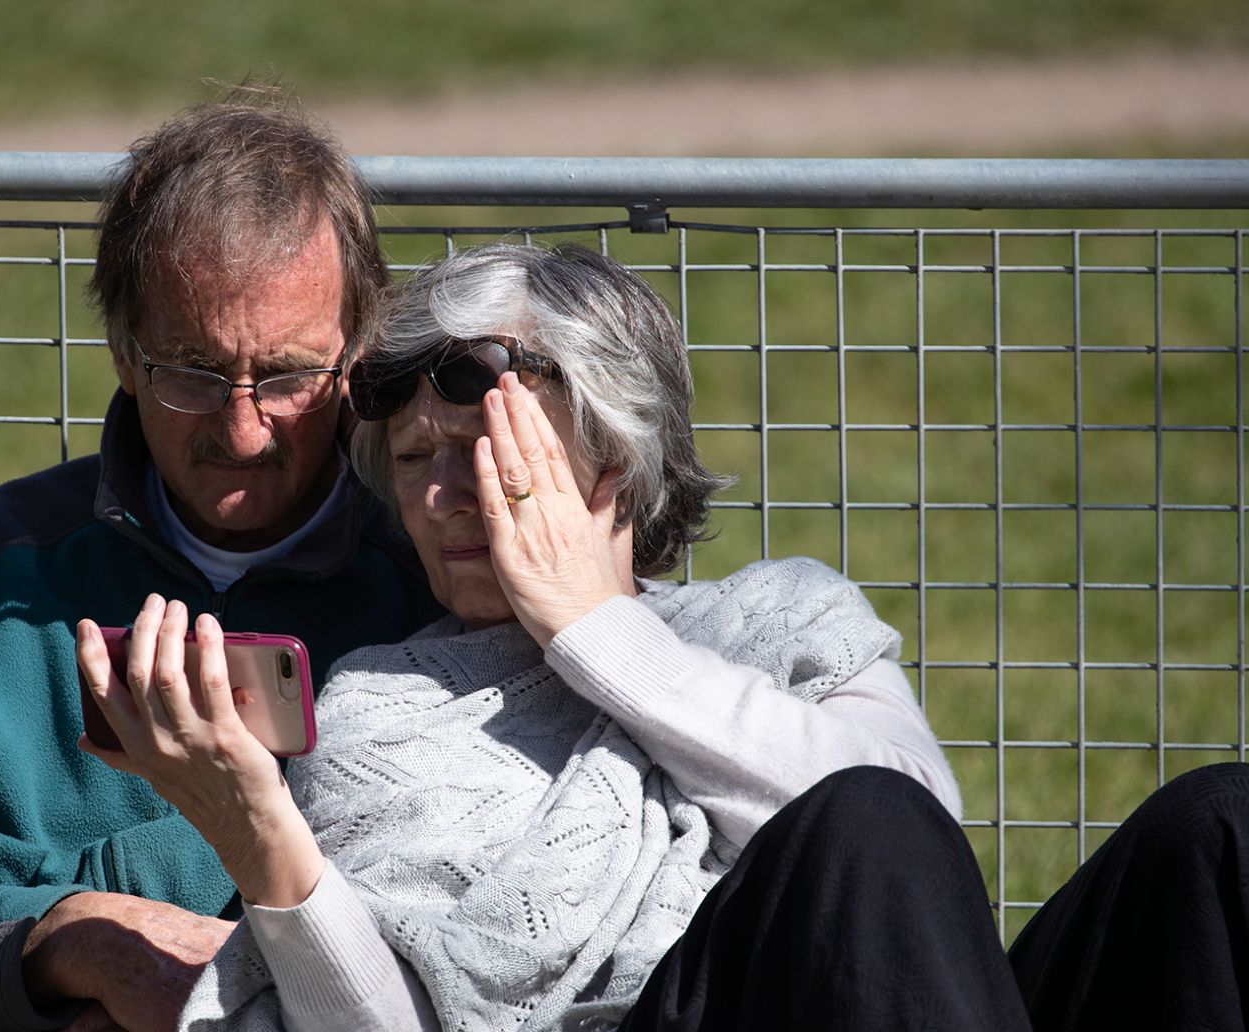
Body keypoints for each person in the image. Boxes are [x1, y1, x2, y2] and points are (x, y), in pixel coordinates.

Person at [85, 242, 1249, 1032]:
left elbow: (913, 836)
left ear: (617, 457)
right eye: (414, 461)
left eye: (493, 455)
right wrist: (263, 842)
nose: (448, 497)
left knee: (1218, 833)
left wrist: (597, 633)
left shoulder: (779, 618)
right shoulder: (384, 708)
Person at [0, 95, 445, 1032]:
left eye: (288, 375)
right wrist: (68, 939)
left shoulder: (442, 585)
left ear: (357, 356)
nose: (244, 430)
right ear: (123, 351)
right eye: (193, 373)